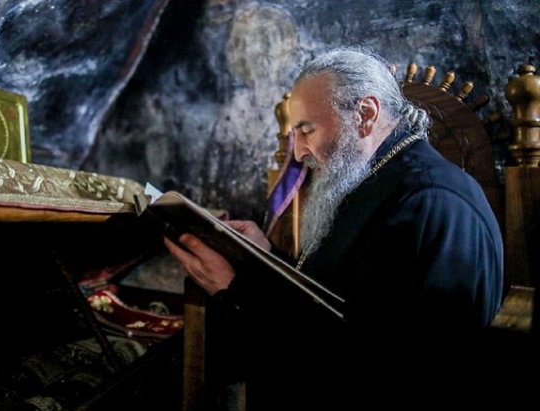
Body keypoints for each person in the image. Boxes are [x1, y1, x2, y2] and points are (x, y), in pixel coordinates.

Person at [164, 47, 505, 404]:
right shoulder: (377, 178)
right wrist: (262, 257)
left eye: (306, 131)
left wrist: (233, 290)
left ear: (365, 114)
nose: (298, 153)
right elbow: (334, 299)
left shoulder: (432, 204)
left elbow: (371, 366)